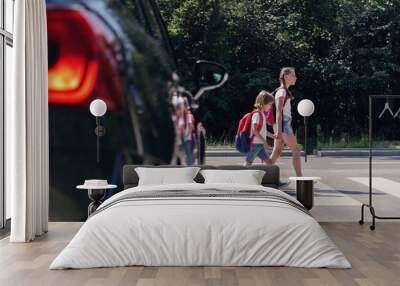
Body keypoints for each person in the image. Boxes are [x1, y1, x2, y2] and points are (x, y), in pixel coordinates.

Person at [270, 67, 303, 176]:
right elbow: (279, 112)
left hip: (282, 124)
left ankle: (263, 176)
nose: (296, 77)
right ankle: (300, 179)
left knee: (276, 152)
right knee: (296, 150)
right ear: (285, 76)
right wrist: (279, 131)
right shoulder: (282, 92)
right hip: (283, 124)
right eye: (293, 75)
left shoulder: (283, 91)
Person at [245, 91, 276, 166]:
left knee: (269, 162)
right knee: (248, 162)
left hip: (260, 144)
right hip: (255, 144)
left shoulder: (262, 114)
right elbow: (254, 130)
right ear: (263, 103)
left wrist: (273, 136)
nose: (270, 107)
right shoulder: (257, 114)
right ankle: (243, 176)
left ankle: (268, 177)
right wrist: (264, 141)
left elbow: (263, 130)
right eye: (269, 104)